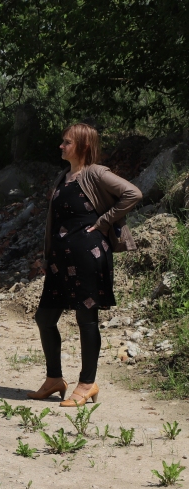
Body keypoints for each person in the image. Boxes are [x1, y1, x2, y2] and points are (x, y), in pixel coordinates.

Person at [29, 123, 141, 407]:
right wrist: (47, 254)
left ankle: (87, 383)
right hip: (60, 259)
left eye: (67, 143)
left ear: (83, 147)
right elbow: (57, 221)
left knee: (85, 319)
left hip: (88, 256)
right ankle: (54, 379)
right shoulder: (64, 176)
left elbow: (133, 194)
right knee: (45, 318)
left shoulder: (95, 173)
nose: (61, 146)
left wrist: (104, 221)